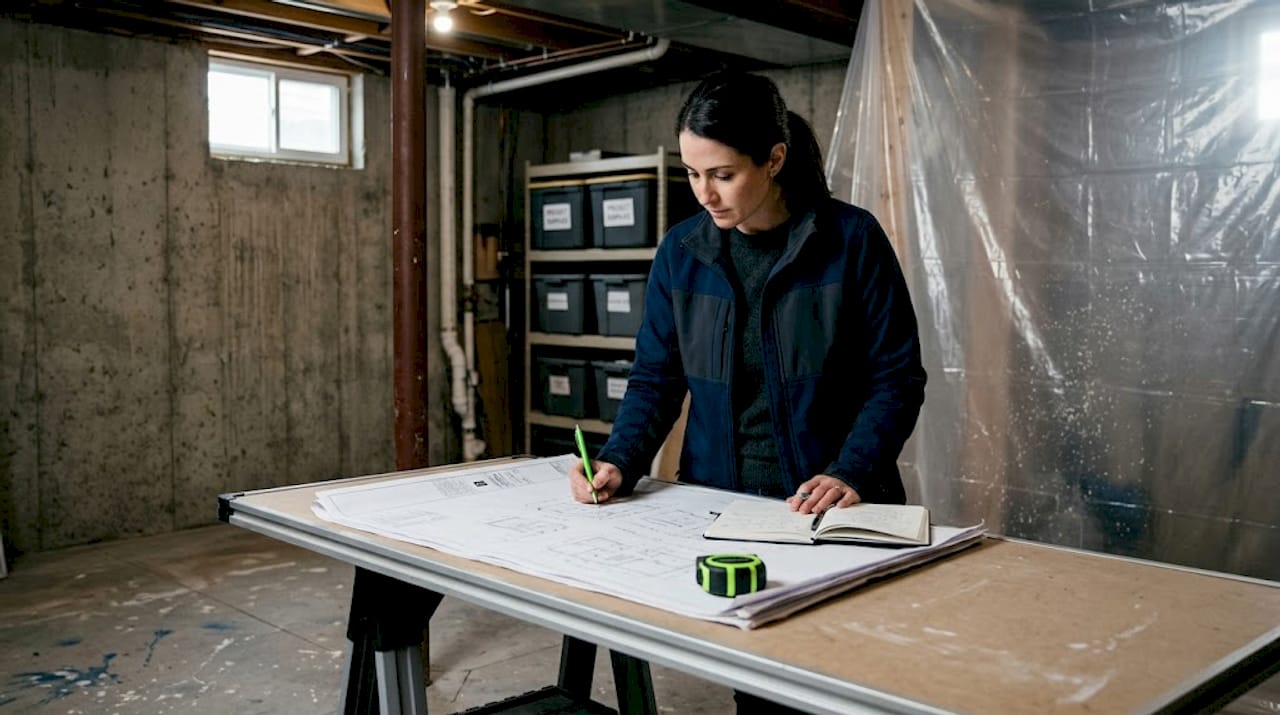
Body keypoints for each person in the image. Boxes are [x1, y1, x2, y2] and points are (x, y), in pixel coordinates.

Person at [569, 72, 926, 711]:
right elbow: (656, 376)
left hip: (830, 510)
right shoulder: (683, 252)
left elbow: (896, 378)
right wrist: (620, 459)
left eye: (723, 174)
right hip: (722, 504)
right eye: (692, 173)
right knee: (761, 692)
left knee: (845, 685)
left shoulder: (850, 241)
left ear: (774, 159)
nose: (705, 193)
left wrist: (852, 469)